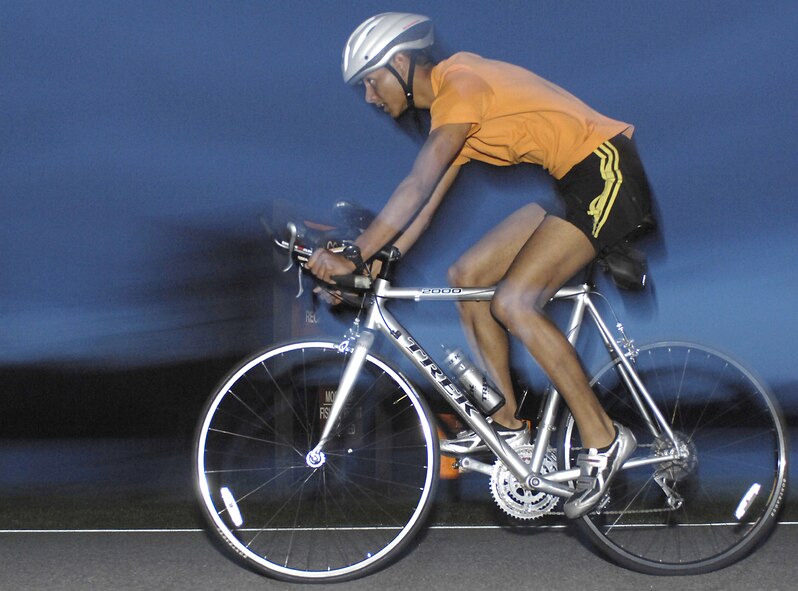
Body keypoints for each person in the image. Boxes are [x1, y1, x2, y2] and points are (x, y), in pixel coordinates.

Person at [307, 12, 653, 518]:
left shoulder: (460, 84)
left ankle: (604, 439)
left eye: (371, 82)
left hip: (605, 170)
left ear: (400, 63)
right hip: (573, 186)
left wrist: (357, 251)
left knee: (514, 301)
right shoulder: (452, 115)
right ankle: (509, 426)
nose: (370, 97)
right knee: (468, 277)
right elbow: (424, 207)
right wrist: (383, 261)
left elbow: (416, 185)